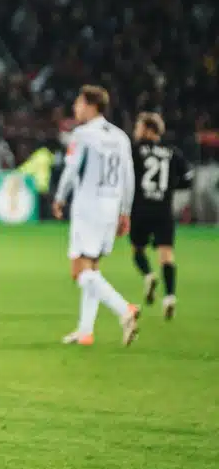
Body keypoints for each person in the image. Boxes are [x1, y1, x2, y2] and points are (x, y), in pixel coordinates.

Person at [53, 85, 140, 346]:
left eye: (78, 103)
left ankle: (124, 309)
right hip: (110, 208)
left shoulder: (82, 134)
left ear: (91, 106)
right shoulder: (120, 136)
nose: (75, 108)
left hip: (88, 207)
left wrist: (59, 197)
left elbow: (70, 170)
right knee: (92, 267)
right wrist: (125, 211)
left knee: (79, 272)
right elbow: (128, 177)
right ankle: (85, 331)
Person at [129, 111, 193, 319]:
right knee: (166, 255)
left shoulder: (135, 150)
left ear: (148, 129)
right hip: (163, 210)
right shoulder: (173, 151)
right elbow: (188, 179)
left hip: (140, 207)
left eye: (138, 127)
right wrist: (170, 186)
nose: (136, 131)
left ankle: (148, 275)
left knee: (137, 249)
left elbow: (126, 174)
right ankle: (170, 297)